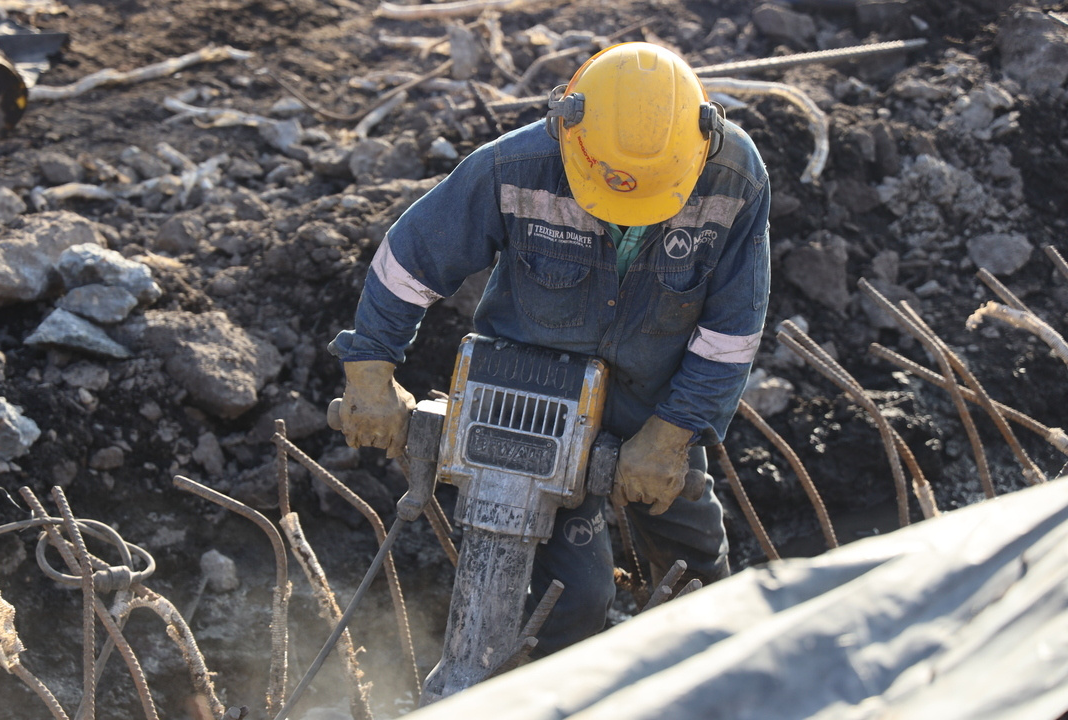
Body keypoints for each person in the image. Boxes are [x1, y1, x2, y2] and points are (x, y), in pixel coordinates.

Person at [328, 42, 771, 657]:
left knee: (698, 569)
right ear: (568, 129)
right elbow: (409, 262)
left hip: (655, 400)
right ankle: (536, 687)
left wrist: (672, 435)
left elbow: (731, 330)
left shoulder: (734, 179)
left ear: (702, 143)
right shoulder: (516, 166)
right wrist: (370, 377)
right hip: (526, 405)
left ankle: (694, 682)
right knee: (573, 600)